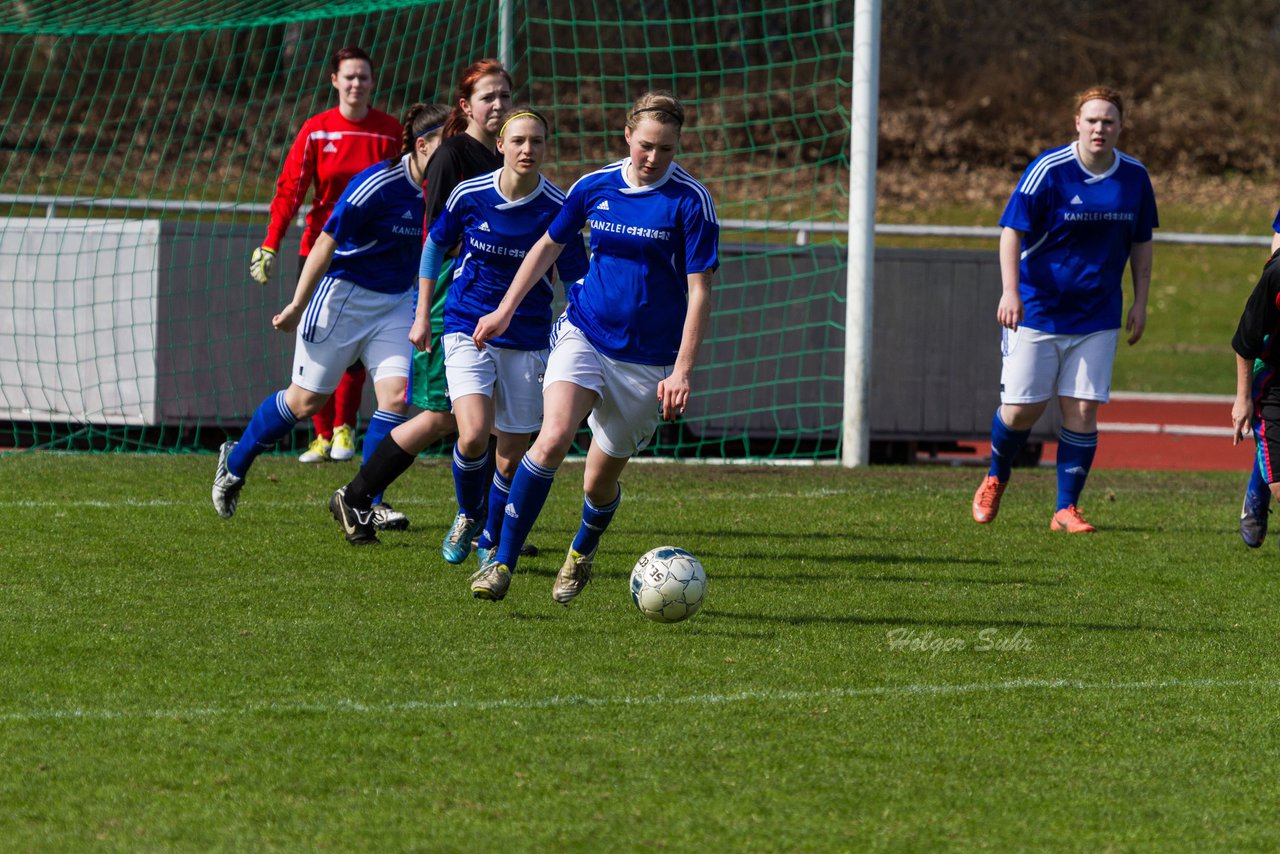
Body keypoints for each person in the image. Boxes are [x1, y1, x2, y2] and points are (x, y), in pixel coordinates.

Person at [465, 90, 719, 602]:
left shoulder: (691, 201)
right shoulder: (594, 185)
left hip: (649, 362)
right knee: (553, 437)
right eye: (646, 145)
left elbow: (699, 291)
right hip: (584, 331)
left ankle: (581, 550)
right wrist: (505, 309)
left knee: (596, 485)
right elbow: (548, 246)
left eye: (666, 149)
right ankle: (501, 564)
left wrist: (682, 371)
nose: (653, 158)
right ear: (627, 135)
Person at [329, 109, 589, 552]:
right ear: (500, 146)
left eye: (538, 142)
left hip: (525, 336)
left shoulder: (557, 207)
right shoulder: (469, 192)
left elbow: (577, 277)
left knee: (507, 451)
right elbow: (433, 243)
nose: (528, 149)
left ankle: (490, 533)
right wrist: (421, 312)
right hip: (465, 323)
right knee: (467, 431)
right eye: (519, 140)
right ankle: (467, 515)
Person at [213, 103, 451, 522]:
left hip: (396, 302)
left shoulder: (447, 191)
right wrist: (296, 305)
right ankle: (235, 461)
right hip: (343, 298)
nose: (457, 157)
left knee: (395, 399)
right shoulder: (377, 183)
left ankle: (368, 500)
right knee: (304, 402)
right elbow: (325, 241)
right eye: (450, 147)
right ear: (422, 146)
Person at [970, 85, 1157, 533]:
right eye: (1092, 120)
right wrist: (1009, 291)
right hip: (1038, 309)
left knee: (1083, 409)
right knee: (1020, 412)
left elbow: (1142, 243)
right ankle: (996, 474)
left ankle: (1065, 509)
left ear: (1120, 127)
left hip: (1097, 314)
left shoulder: (1134, 176)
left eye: (1108, 121)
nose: (1099, 128)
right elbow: (1011, 231)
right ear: (1077, 123)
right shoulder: (1049, 170)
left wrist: (1140, 302)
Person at [250, 46, 402, 466]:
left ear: (373, 82)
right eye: (349, 77)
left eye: (363, 77)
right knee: (317, 341)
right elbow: (290, 190)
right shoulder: (316, 131)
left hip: (373, 256)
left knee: (356, 345)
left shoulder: (390, 132)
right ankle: (319, 435)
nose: (356, 84)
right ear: (334, 80)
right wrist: (271, 242)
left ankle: (344, 427)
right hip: (321, 249)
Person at [1234, 211, 1280, 547]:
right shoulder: (1276, 277)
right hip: (1274, 379)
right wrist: (1243, 399)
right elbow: (1246, 340)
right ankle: (1261, 485)